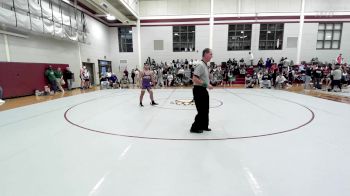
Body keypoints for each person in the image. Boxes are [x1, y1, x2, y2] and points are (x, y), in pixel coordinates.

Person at [190, 48, 213, 133]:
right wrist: (207, 85)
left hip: (203, 90)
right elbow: (194, 78)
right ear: (206, 54)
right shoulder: (200, 65)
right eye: (210, 54)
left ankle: (204, 126)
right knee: (201, 110)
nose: (211, 56)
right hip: (199, 90)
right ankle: (194, 127)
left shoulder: (205, 65)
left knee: (206, 109)